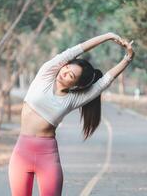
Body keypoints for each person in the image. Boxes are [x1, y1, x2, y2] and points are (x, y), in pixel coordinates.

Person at [8, 32, 134, 196]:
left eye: (71, 76)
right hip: (21, 155)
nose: (64, 72)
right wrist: (108, 36)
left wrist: (128, 58)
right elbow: (76, 50)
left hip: (47, 158)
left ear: (76, 86)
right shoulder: (46, 74)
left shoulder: (73, 99)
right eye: (66, 67)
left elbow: (105, 82)